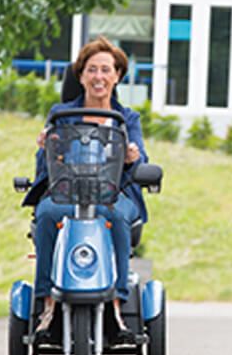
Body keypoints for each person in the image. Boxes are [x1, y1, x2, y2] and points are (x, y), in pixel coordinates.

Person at [24, 36, 147, 333]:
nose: (98, 77)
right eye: (91, 70)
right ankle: (47, 302)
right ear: (80, 76)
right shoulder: (61, 114)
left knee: (118, 217)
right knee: (46, 214)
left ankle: (116, 304)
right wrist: (45, 148)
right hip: (67, 192)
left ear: (117, 76)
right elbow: (45, 167)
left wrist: (133, 158)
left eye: (106, 70)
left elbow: (141, 160)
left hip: (112, 194)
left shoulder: (127, 118)